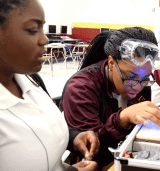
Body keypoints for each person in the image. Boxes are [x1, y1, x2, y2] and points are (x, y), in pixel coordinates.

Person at [0, 0, 99, 170]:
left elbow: (41, 127)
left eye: (42, 29)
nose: (44, 39)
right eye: (32, 30)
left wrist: (73, 138)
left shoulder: (31, 79)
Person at [60, 27, 160, 170]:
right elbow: (94, 154)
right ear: (111, 63)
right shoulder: (81, 88)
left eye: (144, 78)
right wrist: (122, 119)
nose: (137, 87)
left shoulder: (143, 84)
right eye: (131, 78)